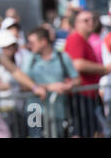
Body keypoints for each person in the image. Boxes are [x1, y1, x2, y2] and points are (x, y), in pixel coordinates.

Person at [24, 26, 81, 137]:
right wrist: (49, 87)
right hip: (34, 110)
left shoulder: (62, 57)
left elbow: (77, 79)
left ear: (43, 41)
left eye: (32, 42)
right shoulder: (29, 59)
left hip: (58, 110)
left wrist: (69, 86)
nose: (29, 45)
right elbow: (23, 86)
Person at [64, 9, 111, 137]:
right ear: (76, 24)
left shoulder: (86, 40)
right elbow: (77, 64)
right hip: (81, 95)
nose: (91, 23)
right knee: (82, 131)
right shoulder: (75, 39)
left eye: (93, 19)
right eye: (86, 20)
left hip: (89, 94)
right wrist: (105, 69)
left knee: (94, 131)